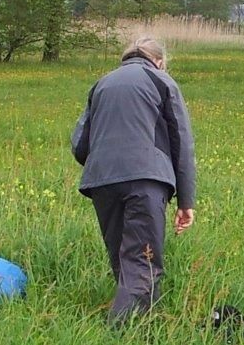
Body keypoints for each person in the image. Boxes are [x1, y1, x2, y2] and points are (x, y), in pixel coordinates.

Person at [71, 37, 196, 324]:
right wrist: (186, 200)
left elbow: (79, 144)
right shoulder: (162, 81)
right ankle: (120, 339)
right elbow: (182, 142)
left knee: (123, 259)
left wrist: (105, 163)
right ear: (160, 62)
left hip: (101, 180)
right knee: (143, 260)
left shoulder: (102, 84)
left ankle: (145, 326)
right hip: (146, 179)